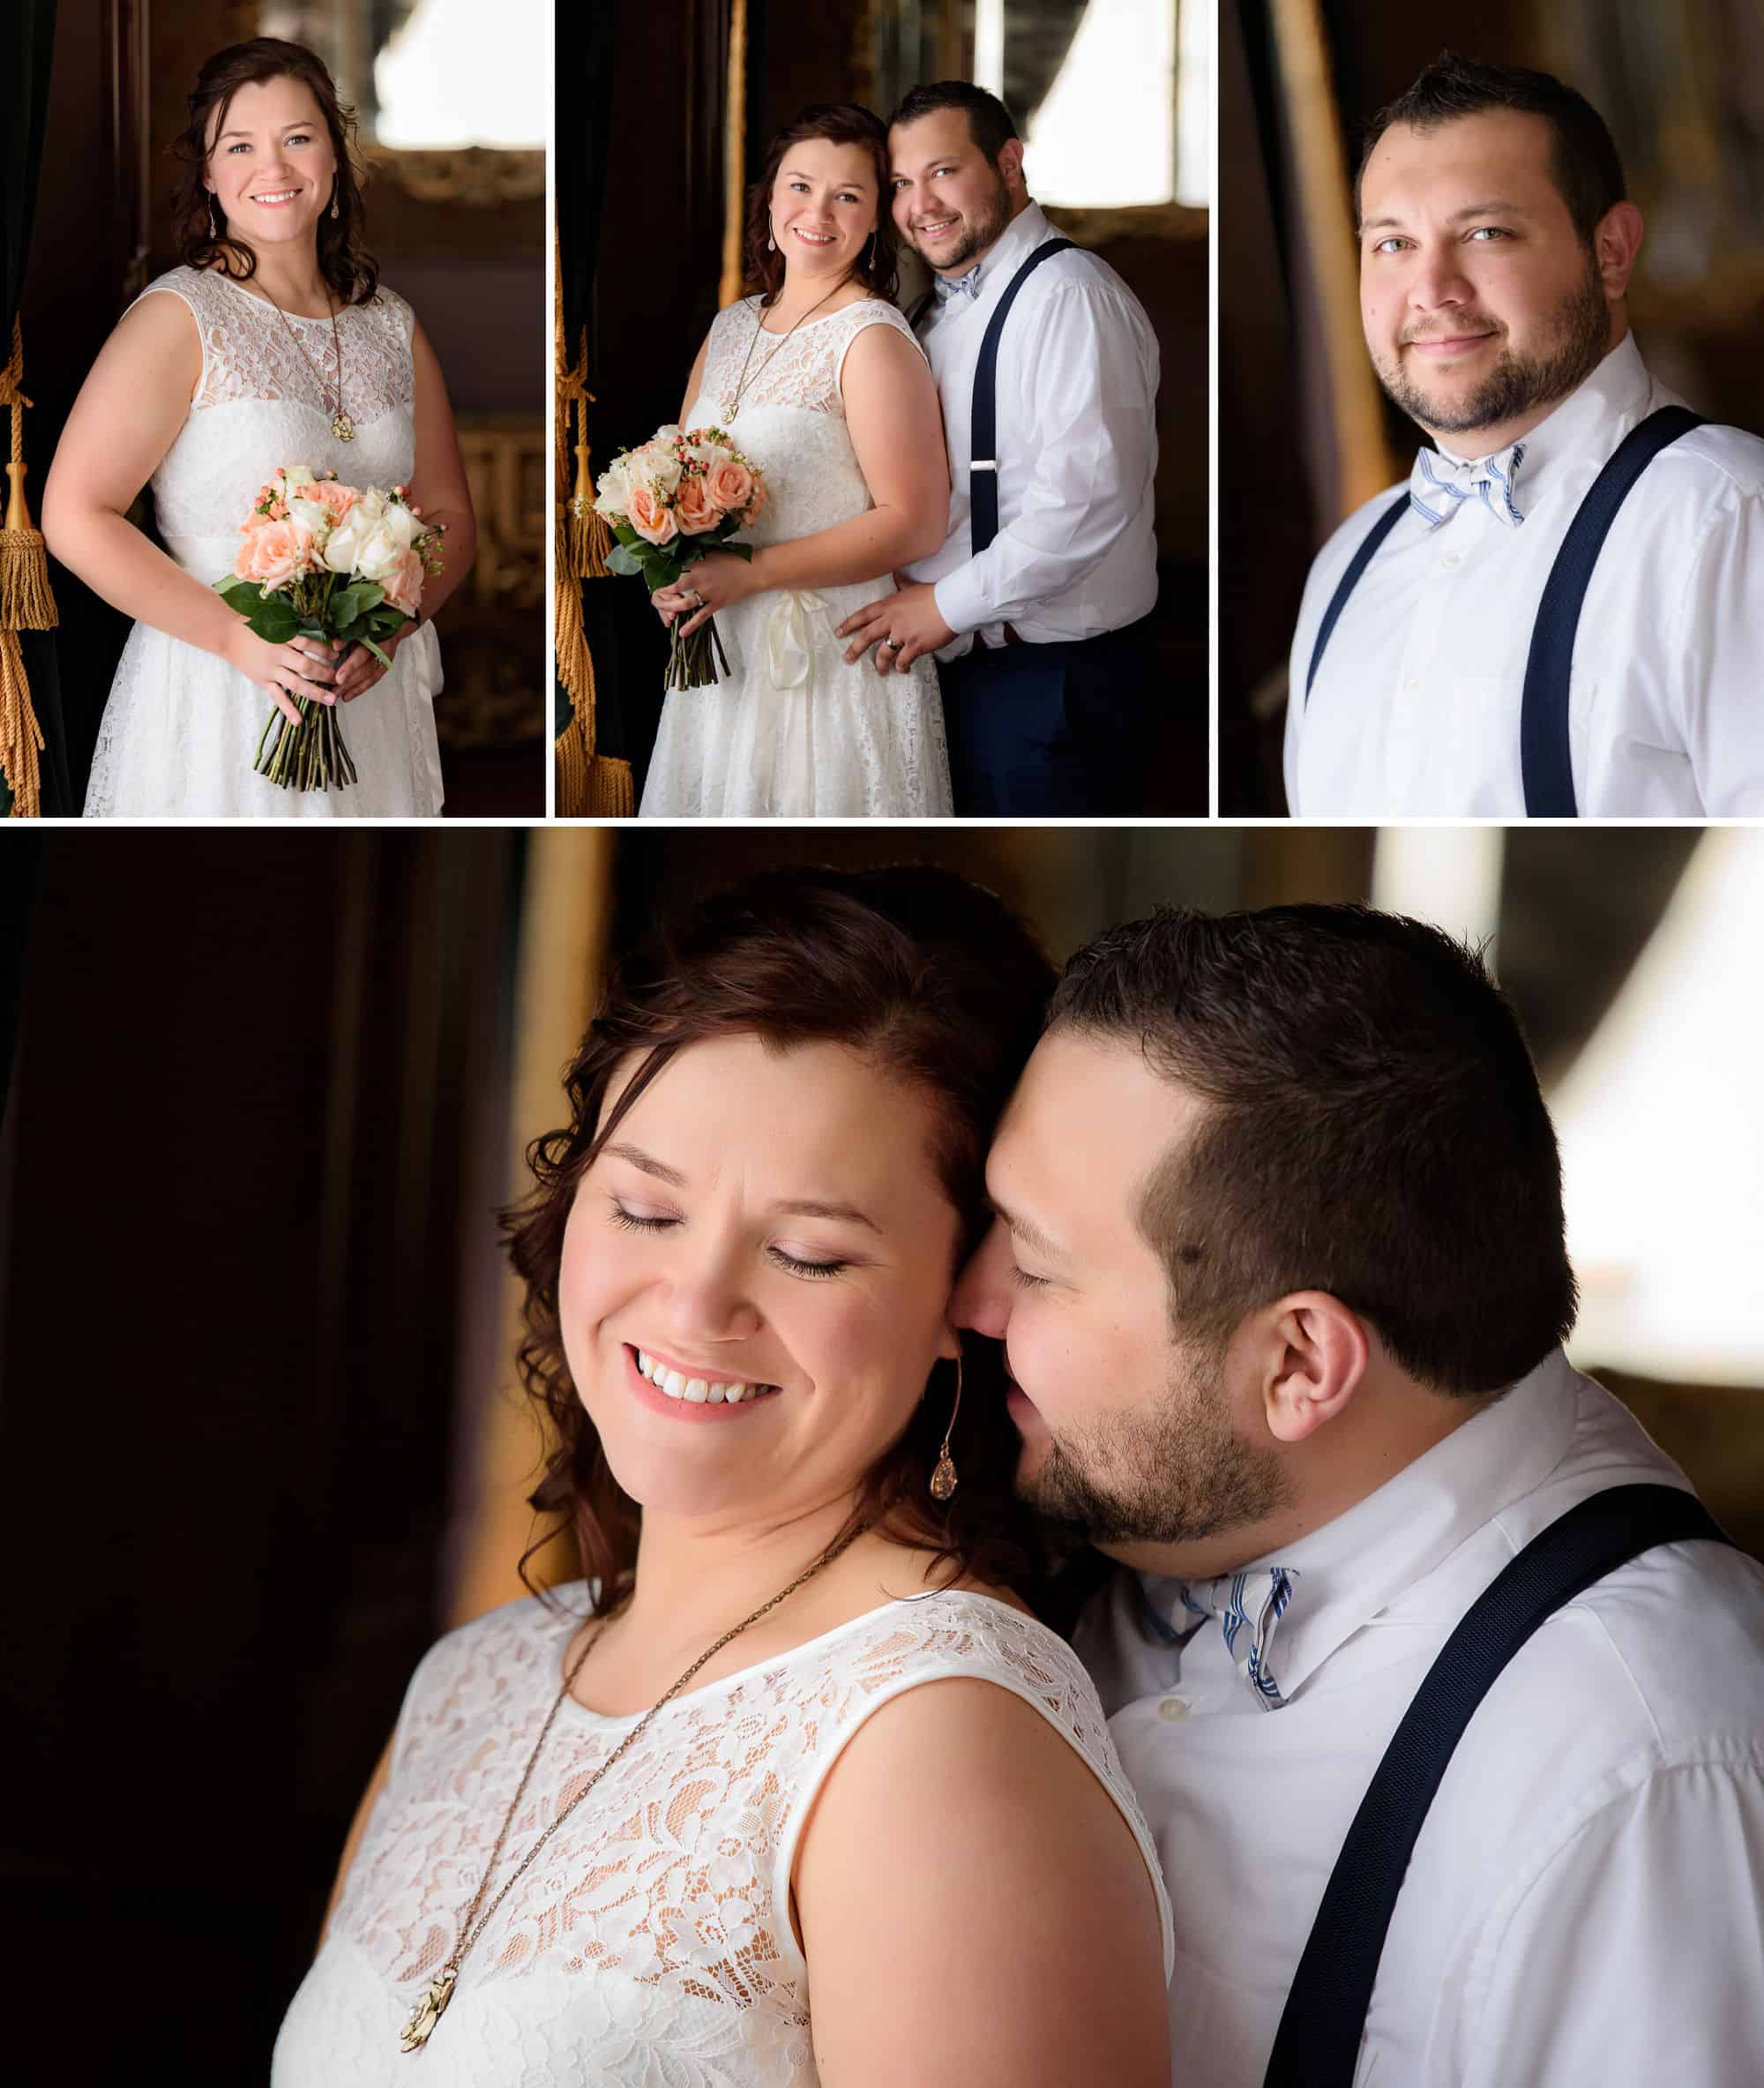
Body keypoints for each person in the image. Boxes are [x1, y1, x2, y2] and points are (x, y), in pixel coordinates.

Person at [272, 867, 1173, 2085]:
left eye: (807, 1253)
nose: (695, 1305)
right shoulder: (473, 1681)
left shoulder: (937, 1730)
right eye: (645, 1210)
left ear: (964, 1295)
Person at [954, 902, 1764, 2085]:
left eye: (1034, 1265)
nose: (969, 1301)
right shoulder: (1068, 1514)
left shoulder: (1642, 1771)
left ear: (1298, 1365)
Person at [1285, 54, 1764, 819]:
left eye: (1485, 232)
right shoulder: (1347, 562)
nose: (1433, 290)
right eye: (1393, 244)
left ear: (1610, 251)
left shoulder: (1730, 520)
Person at [42, 37, 475, 819]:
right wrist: (239, 642)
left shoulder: (393, 326)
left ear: (335, 163)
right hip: (218, 686)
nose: (272, 168)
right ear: (209, 176)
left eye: (297, 139)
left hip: (363, 693)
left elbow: (449, 515)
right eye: (240, 145)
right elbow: (74, 516)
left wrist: (392, 631)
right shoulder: (179, 318)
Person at [833, 81, 1161, 817]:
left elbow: (1086, 501)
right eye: (900, 184)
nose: (923, 204)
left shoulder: (1070, 296)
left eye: (944, 171)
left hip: (1051, 685)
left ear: (1010, 163)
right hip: (958, 671)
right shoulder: (924, 312)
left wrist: (943, 607)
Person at [639, 106, 953, 817]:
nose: (818, 212)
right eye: (800, 187)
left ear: (878, 218)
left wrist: (749, 573)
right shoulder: (731, 326)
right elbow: (679, 468)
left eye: (847, 196)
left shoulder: (870, 338)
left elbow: (915, 522)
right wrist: (675, 575)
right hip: (725, 655)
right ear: (771, 198)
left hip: (826, 657)